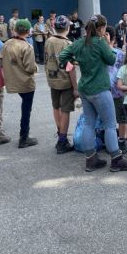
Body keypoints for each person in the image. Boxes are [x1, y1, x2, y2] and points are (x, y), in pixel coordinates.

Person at [59, 14, 127, 172]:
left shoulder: (79, 43)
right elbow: (111, 60)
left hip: (84, 89)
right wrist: (107, 45)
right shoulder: (100, 42)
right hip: (100, 89)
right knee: (110, 125)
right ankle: (116, 159)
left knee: (89, 123)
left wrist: (75, 61)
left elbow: (62, 56)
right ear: (101, 28)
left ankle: (91, 159)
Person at [0, 19, 38, 149]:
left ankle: (24, 136)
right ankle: (24, 137)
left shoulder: (7, 43)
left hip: (11, 80)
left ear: (15, 30)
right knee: (26, 110)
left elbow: (0, 60)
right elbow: (30, 68)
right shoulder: (27, 47)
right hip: (26, 83)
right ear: (27, 31)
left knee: (25, 107)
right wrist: (36, 67)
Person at [44, 15, 77, 154]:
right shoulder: (67, 44)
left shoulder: (48, 41)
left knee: (56, 106)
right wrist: (75, 87)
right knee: (65, 110)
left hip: (52, 79)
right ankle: (62, 141)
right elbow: (70, 68)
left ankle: (60, 133)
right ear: (67, 28)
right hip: (65, 81)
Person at [104, 26, 127, 152]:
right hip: (106, 91)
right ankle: (111, 142)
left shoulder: (119, 54)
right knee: (109, 119)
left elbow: (124, 71)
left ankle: (121, 140)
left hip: (116, 91)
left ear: (112, 38)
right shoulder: (100, 52)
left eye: (106, 34)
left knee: (120, 117)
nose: (104, 37)